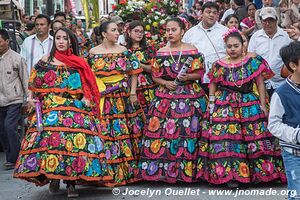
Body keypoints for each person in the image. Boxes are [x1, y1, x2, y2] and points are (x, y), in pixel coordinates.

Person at [13, 27, 101, 198]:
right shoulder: (45, 60)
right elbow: (35, 81)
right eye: (58, 38)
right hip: (51, 106)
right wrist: (31, 98)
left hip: (73, 106)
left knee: (74, 144)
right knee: (51, 144)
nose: (61, 41)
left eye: (64, 38)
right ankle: (53, 177)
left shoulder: (78, 62)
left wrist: (86, 97)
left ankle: (71, 183)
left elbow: (85, 84)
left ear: (70, 41)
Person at [203, 28, 286, 187]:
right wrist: (211, 104)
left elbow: (260, 84)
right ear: (225, 47)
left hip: (249, 103)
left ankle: (260, 175)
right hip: (224, 104)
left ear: (243, 46)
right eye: (229, 46)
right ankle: (231, 176)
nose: (232, 49)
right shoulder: (218, 65)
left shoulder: (253, 62)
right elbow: (213, 83)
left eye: (236, 46)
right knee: (228, 139)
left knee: (254, 137)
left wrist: (263, 104)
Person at [139, 17, 208, 183]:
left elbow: (200, 74)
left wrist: (188, 76)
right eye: (168, 30)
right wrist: (165, 82)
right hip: (166, 95)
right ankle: (164, 172)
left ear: (182, 31)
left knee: (189, 132)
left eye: (174, 30)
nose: (170, 33)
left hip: (190, 94)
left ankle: (189, 172)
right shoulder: (161, 52)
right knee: (164, 132)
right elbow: (155, 75)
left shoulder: (192, 50)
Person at [88, 21, 145, 186]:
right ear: (104, 34)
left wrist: (133, 92)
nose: (117, 33)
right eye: (113, 30)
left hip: (121, 96)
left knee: (123, 132)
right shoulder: (93, 52)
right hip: (101, 97)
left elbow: (134, 72)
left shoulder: (124, 51)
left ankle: (126, 172)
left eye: (117, 30)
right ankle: (104, 174)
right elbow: (88, 76)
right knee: (104, 132)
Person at [268, 41, 300, 200]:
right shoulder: (281, 93)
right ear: (293, 65)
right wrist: (295, 134)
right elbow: (273, 125)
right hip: (294, 153)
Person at [183, 2, 228, 94]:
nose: (211, 15)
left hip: (220, 78)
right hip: (197, 79)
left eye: (214, 13)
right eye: (208, 12)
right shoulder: (190, 33)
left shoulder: (225, 32)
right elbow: (183, 54)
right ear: (201, 13)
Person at [0, 29, 28, 170]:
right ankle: (10, 155)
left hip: (14, 100)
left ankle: (15, 157)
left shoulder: (17, 58)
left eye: (0, 42)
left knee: (9, 127)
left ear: (7, 42)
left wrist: (27, 98)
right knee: (2, 130)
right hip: (0, 101)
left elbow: (25, 80)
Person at [248, 7, 291, 97]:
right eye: (265, 21)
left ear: (276, 20)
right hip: (261, 84)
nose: (267, 24)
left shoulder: (286, 36)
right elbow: (250, 58)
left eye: (271, 20)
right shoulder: (255, 37)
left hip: (281, 84)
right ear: (261, 21)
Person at [125, 20, 157, 115]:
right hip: (130, 86)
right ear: (129, 32)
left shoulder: (149, 49)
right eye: (136, 31)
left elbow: (155, 69)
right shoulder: (124, 50)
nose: (139, 34)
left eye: (141, 32)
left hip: (149, 86)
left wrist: (140, 65)